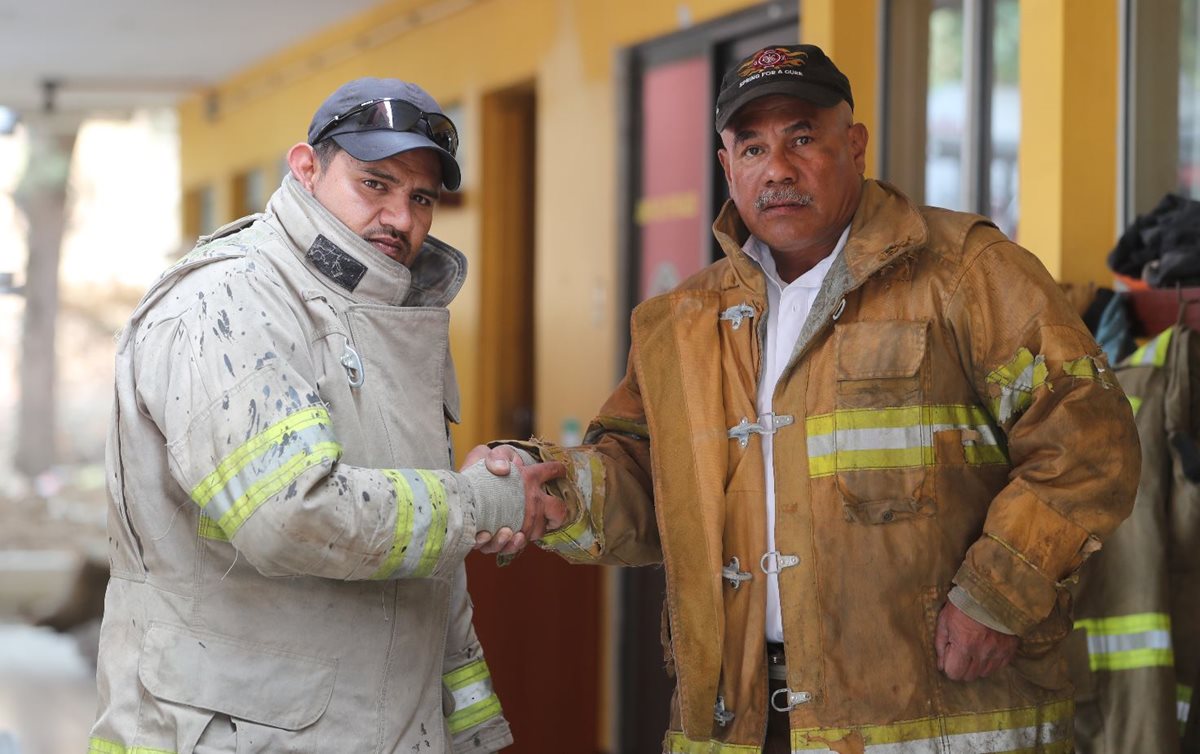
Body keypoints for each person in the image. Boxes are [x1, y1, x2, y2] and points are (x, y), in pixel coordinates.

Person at [471, 44, 1141, 753]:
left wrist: (998, 597)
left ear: (854, 145)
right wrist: (553, 489)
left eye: (801, 138)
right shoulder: (680, 322)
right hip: (742, 723)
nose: (778, 170)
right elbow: (643, 477)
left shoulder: (966, 271)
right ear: (727, 166)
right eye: (753, 147)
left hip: (934, 715)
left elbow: (1086, 441)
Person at [89, 77, 563, 753]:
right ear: (307, 168)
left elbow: (419, 549)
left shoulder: (387, 314)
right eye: (375, 184)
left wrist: (468, 732)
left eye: (421, 197)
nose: (400, 218)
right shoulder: (230, 300)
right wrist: (479, 502)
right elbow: (292, 517)